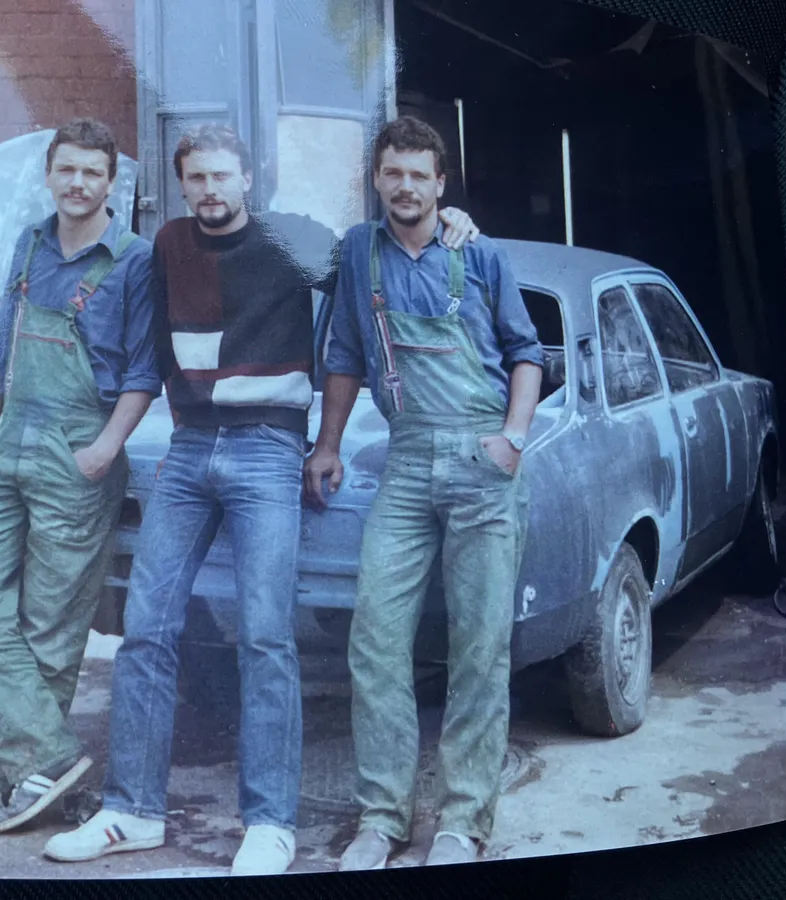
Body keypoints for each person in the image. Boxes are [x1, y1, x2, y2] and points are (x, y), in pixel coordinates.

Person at [42, 123, 480, 876]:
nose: (211, 190)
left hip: (268, 450)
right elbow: (142, 351)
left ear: (249, 179)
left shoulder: (296, 241)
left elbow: (385, 248)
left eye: (224, 176)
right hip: (188, 451)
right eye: (198, 179)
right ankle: (131, 810)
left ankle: (270, 822)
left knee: (266, 635)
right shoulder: (168, 247)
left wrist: (452, 222)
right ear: (184, 185)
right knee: (144, 629)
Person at [303, 116, 544, 871]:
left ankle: (464, 821)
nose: (405, 186)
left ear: (441, 184)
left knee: (479, 647)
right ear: (376, 181)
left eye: (419, 175)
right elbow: (344, 353)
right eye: (392, 173)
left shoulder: (481, 255)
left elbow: (526, 352)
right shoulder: (356, 253)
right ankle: (382, 817)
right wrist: (330, 442)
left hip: (481, 459)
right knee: (375, 642)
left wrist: (512, 437)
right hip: (405, 464)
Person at [0, 117, 161, 837]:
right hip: (10, 441)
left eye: (92, 173)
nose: (77, 183)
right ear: (49, 172)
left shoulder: (133, 260)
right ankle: (52, 753)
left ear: (110, 183)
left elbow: (143, 373)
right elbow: (0, 340)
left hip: (78, 447)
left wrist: (104, 448)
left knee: (49, 629)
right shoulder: (31, 241)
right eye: (67, 169)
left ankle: (1, 775)